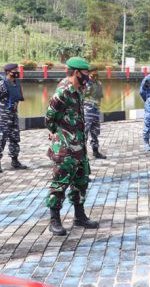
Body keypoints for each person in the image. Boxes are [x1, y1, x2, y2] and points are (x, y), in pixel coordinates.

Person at [45, 57, 99, 236]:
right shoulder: (63, 92)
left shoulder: (78, 90)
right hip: (65, 148)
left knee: (81, 181)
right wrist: (58, 135)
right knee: (60, 184)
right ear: (76, 73)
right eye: (85, 73)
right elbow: (49, 117)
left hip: (79, 147)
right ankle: (54, 220)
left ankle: (79, 216)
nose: (88, 76)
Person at [0, 63, 28, 173]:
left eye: (17, 69)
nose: (16, 72)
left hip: (13, 116)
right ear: (7, 72)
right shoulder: (0, 85)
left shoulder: (17, 84)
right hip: (2, 117)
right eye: (14, 70)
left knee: (15, 139)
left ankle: (15, 161)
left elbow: (18, 98)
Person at [84, 69, 106, 159]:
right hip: (86, 112)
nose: (95, 77)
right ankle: (83, 154)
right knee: (84, 134)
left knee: (95, 132)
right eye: (93, 75)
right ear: (89, 74)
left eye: (96, 75)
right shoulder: (84, 84)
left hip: (96, 112)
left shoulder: (99, 84)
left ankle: (95, 152)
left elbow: (100, 97)